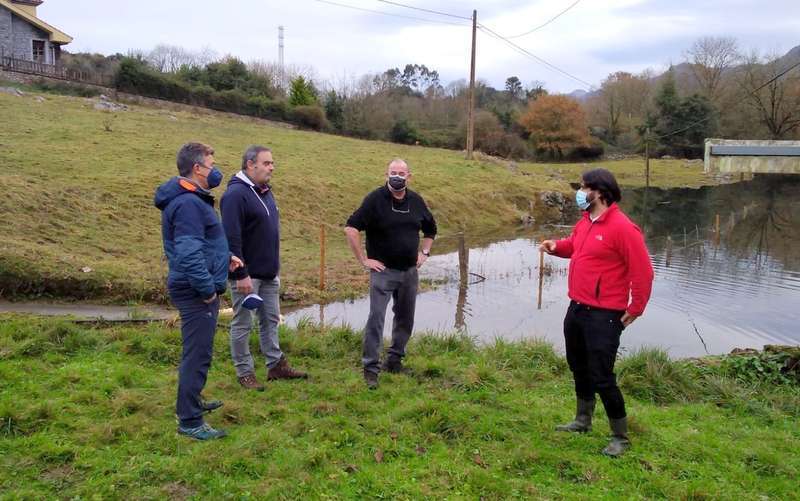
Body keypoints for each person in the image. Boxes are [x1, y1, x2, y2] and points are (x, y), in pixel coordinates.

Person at [539, 168, 654, 457]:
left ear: (600, 192)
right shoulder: (585, 221)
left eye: (583, 187)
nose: (579, 192)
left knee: (602, 375)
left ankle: (620, 437)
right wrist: (556, 247)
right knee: (578, 366)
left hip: (605, 314)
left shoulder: (623, 228)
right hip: (577, 307)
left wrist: (636, 308)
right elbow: (575, 246)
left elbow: (643, 272)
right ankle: (582, 420)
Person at [154, 142, 242, 440]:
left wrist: (224, 257)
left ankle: (192, 400)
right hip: (195, 291)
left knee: (198, 351)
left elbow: (201, 244)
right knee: (197, 354)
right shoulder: (189, 205)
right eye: (211, 165)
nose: (215, 170)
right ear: (197, 168)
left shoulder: (192, 200)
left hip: (196, 286)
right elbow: (188, 253)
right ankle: (190, 421)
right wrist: (206, 290)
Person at [344, 158, 437, 389]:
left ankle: (395, 360)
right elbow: (351, 228)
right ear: (386, 175)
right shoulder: (375, 200)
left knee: (405, 317)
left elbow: (430, 229)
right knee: (376, 318)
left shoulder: (416, 201)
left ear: (409, 177)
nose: (397, 177)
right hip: (383, 272)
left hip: (409, 271)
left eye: (401, 173)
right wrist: (363, 260)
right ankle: (371, 369)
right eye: (393, 172)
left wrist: (424, 253)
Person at [221, 145, 307, 391]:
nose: (272, 167)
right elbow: (231, 238)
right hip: (247, 275)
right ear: (250, 164)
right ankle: (245, 373)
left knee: (270, 320)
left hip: (269, 273)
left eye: (272, 163)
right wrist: (240, 273)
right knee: (243, 323)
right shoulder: (235, 195)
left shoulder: (265, 191)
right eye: (267, 163)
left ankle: (276, 365)